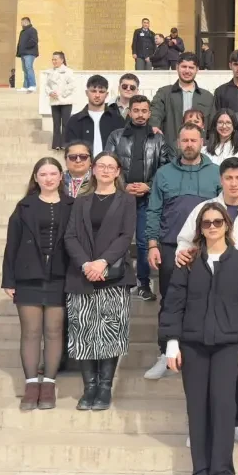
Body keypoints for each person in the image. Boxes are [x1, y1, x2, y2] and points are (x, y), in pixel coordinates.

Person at [160, 202, 238, 475]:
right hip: (193, 345)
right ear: (200, 228)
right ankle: (200, 471)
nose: (213, 227)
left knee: (223, 405)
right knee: (197, 407)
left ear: (227, 226)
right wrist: (171, 342)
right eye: (207, 223)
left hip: (228, 345)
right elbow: (174, 304)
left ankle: (222, 472)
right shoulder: (188, 262)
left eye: (218, 222)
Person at [171, 158, 238, 448]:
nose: (233, 183)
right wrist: (182, 255)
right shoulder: (204, 209)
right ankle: (201, 425)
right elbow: (184, 241)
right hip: (206, 293)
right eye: (228, 177)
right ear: (221, 179)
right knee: (203, 369)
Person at [144, 125, 223, 380]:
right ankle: (164, 353)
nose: (189, 144)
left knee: (207, 300)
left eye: (193, 140)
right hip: (169, 246)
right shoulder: (164, 173)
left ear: (202, 142)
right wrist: (153, 244)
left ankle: (200, 353)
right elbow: (153, 210)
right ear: (178, 143)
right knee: (170, 301)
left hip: (207, 247)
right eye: (185, 140)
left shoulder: (216, 173)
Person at [62, 152, 138, 411]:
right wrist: (86, 264)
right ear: (93, 170)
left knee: (110, 333)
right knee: (84, 332)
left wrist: (102, 262)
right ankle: (89, 388)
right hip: (81, 275)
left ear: (118, 172)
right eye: (101, 166)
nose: (106, 170)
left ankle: (105, 388)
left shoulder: (126, 200)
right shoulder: (80, 201)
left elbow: (126, 235)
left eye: (111, 167)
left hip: (113, 276)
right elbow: (70, 236)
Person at [3, 158, 74, 411]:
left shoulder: (72, 205)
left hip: (60, 276)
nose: (48, 178)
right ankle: (32, 384)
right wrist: (8, 279)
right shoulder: (24, 206)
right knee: (31, 332)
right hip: (28, 276)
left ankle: (49, 385)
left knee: (54, 331)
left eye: (53, 173)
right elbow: (12, 244)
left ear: (60, 177)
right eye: (42, 174)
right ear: (35, 178)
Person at [105, 95, 169, 303]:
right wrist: (124, 187)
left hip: (147, 199)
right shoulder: (116, 136)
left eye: (144, 111)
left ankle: (143, 283)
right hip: (120, 197)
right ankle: (115, 280)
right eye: (136, 111)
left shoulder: (158, 139)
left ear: (149, 113)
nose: (140, 115)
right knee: (115, 240)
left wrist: (148, 186)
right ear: (129, 112)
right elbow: (109, 164)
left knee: (143, 242)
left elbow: (164, 168)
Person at [150, 53, 216, 140]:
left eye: (191, 67)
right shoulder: (164, 93)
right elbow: (155, 112)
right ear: (177, 67)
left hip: (199, 149)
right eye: (184, 67)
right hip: (170, 149)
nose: (187, 71)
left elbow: (213, 126)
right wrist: (154, 125)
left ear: (197, 70)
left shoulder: (207, 97)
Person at [64, 75, 123, 157]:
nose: (97, 95)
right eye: (93, 91)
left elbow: (122, 149)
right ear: (87, 93)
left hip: (110, 167)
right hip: (83, 167)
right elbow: (70, 151)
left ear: (106, 94)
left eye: (101, 92)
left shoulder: (117, 119)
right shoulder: (74, 121)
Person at [42, 52, 77, 150]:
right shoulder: (50, 72)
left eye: (56, 59)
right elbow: (47, 86)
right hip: (54, 101)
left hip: (65, 101)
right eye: (53, 59)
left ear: (62, 60)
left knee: (66, 123)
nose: (54, 61)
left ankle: (65, 144)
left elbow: (72, 85)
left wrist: (62, 93)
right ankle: (56, 144)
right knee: (56, 123)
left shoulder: (68, 71)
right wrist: (50, 93)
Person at [16, 17, 39, 93]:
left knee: (29, 68)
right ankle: (26, 86)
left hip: (29, 53)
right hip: (23, 53)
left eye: (22, 22)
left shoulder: (32, 30)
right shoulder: (22, 31)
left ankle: (33, 85)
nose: (21, 24)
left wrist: (25, 46)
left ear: (26, 22)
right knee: (25, 70)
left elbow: (34, 41)